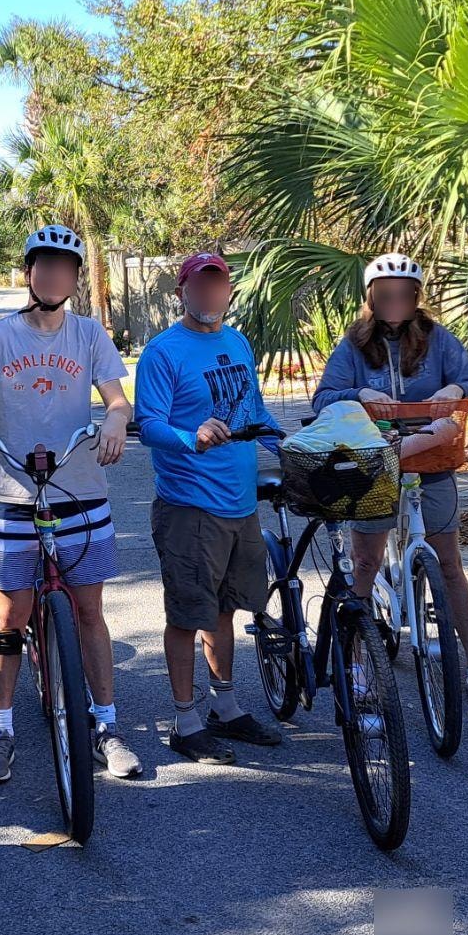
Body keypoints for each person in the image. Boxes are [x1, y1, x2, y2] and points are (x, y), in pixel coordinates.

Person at [0, 224, 139, 784]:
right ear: (29, 274)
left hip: (81, 493)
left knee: (90, 612)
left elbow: (117, 400)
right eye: (42, 267)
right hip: (11, 498)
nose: (53, 276)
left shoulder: (90, 334)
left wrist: (117, 421)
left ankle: (106, 727)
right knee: (9, 619)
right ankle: (1, 728)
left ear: (73, 278)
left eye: (64, 268)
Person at [311, 253, 468, 707]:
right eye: (385, 294)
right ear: (371, 298)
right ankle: (359, 660)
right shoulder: (353, 346)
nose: (394, 301)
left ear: (416, 298)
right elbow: (323, 398)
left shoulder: (439, 341)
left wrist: (458, 390)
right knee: (365, 564)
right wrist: (359, 393)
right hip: (373, 464)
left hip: (431, 462)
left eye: (404, 294)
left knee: (450, 563)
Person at [131, 252, 286, 764]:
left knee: (224, 611)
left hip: (240, 504)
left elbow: (255, 412)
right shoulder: (163, 351)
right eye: (199, 287)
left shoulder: (238, 341)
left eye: (218, 287)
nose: (209, 296)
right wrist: (189, 435)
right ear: (182, 292)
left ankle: (226, 707)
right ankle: (185, 719)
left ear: (228, 292)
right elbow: (148, 424)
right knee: (186, 614)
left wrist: (293, 445)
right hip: (189, 507)